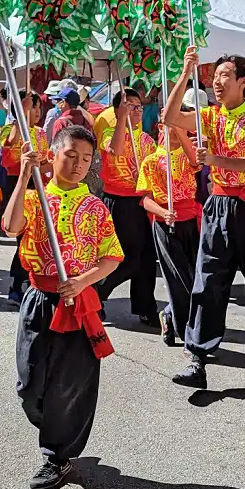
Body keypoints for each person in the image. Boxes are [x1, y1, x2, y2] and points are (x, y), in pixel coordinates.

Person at [3, 125, 124, 489]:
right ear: (53, 154)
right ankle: (54, 429)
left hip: (77, 303)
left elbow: (112, 257)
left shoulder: (95, 206)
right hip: (39, 300)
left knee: (71, 386)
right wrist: (25, 174)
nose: (77, 164)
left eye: (86, 159)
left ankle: (58, 455)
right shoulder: (36, 196)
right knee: (30, 385)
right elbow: (10, 227)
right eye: (70, 155)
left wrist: (84, 280)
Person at [163, 49, 245, 387]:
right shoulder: (210, 116)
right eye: (215, 76)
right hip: (218, 207)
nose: (217, 82)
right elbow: (170, 117)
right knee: (208, 282)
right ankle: (197, 358)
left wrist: (214, 159)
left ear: (243, 82)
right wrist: (185, 70)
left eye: (224, 76)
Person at [96, 88, 159, 327]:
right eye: (130, 106)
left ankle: (146, 306)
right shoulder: (110, 134)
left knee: (146, 258)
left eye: (139, 106)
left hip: (142, 202)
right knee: (122, 257)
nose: (137, 110)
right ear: (119, 110)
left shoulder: (146, 140)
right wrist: (122, 118)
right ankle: (96, 293)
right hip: (118, 202)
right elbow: (117, 150)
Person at [136, 123, 200, 346]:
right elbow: (145, 198)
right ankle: (188, 333)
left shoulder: (189, 153)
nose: (172, 131)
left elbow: (196, 163)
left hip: (191, 220)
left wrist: (178, 125)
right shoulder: (151, 161)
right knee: (178, 278)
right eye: (168, 127)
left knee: (195, 277)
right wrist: (163, 212)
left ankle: (169, 315)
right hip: (165, 223)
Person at [0, 91, 51, 303]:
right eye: (34, 107)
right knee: (22, 238)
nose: (38, 112)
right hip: (17, 185)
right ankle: (16, 284)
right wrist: (21, 114)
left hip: (38, 185)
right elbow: (9, 145)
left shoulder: (40, 133)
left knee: (35, 236)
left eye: (38, 107)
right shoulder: (10, 129)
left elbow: (47, 162)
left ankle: (30, 282)